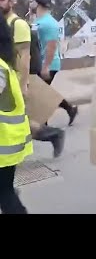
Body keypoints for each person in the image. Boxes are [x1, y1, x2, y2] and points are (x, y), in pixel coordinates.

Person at [0, 0, 64, 157]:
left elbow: (24, 56)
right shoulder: (3, 23)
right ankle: (52, 134)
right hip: (4, 79)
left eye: (2, 0)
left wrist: (23, 84)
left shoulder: (18, 24)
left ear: (12, 2)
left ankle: (51, 134)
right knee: (19, 120)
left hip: (14, 81)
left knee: (18, 121)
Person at [0, 11, 32, 214]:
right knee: (5, 193)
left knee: (6, 194)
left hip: (3, 145)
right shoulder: (5, 63)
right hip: (7, 144)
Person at [31, 0, 78, 125]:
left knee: (40, 95)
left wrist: (46, 66)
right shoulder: (39, 20)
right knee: (44, 93)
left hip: (49, 64)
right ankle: (70, 109)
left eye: (32, 1)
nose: (30, 3)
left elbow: (52, 45)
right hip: (41, 63)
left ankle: (44, 125)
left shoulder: (49, 23)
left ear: (37, 3)